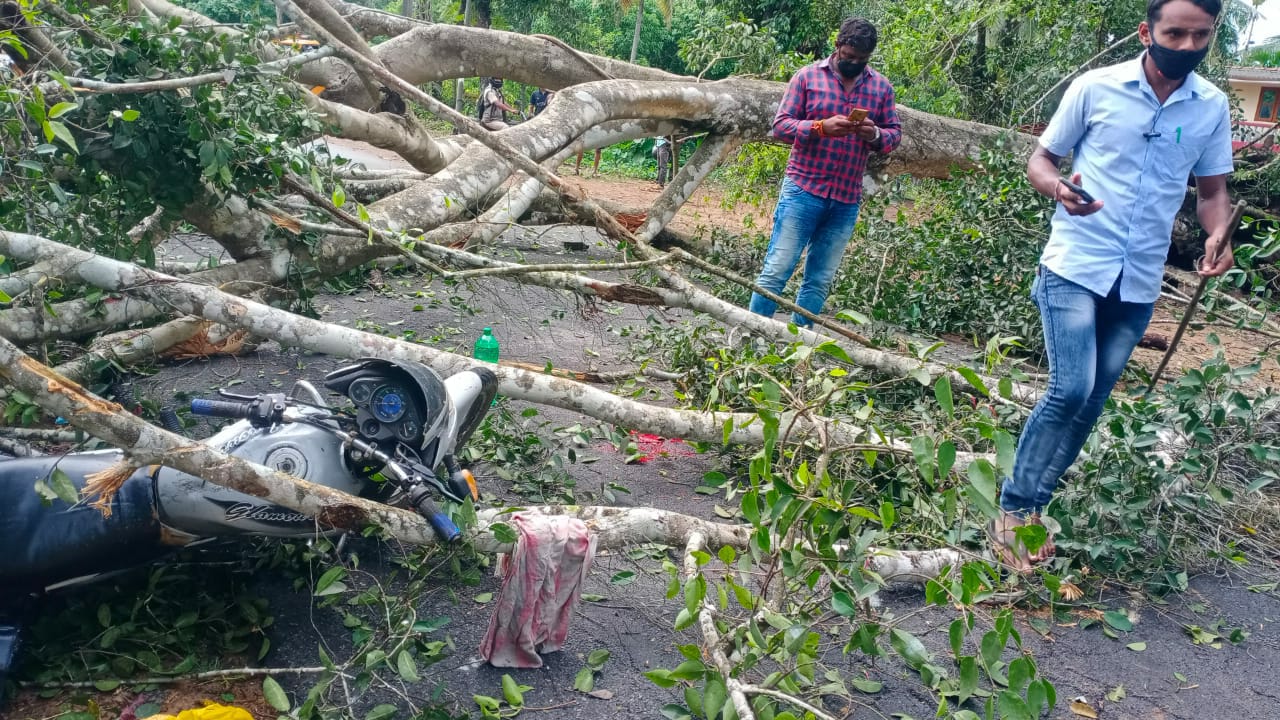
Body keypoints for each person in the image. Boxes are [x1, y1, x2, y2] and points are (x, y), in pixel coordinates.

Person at [991, 0, 1235, 571]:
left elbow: (1212, 193)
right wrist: (1059, 189)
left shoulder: (1212, 106)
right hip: (1076, 262)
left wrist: (1218, 234)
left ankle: (1034, 508)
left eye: (1200, 36)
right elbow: (1041, 160)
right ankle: (1013, 510)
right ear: (1147, 31)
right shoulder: (1095, 87)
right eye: (1175, 33)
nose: (1187, 46)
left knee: (1094, 400)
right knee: (1070, 389)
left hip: (1140, 278)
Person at [747, 17, 901, 327]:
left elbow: (893, 135)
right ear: (837, 46)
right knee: (777, 270)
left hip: (845, 199)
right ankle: (752, 337)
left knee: (819, 281)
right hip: (803, 190)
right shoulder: (807, 78)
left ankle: (799, 344)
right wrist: (819, 127)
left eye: (861, 59)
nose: (853, 63)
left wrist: (874, 134)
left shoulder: (881, 88)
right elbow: (780, 127)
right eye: (848, 56)